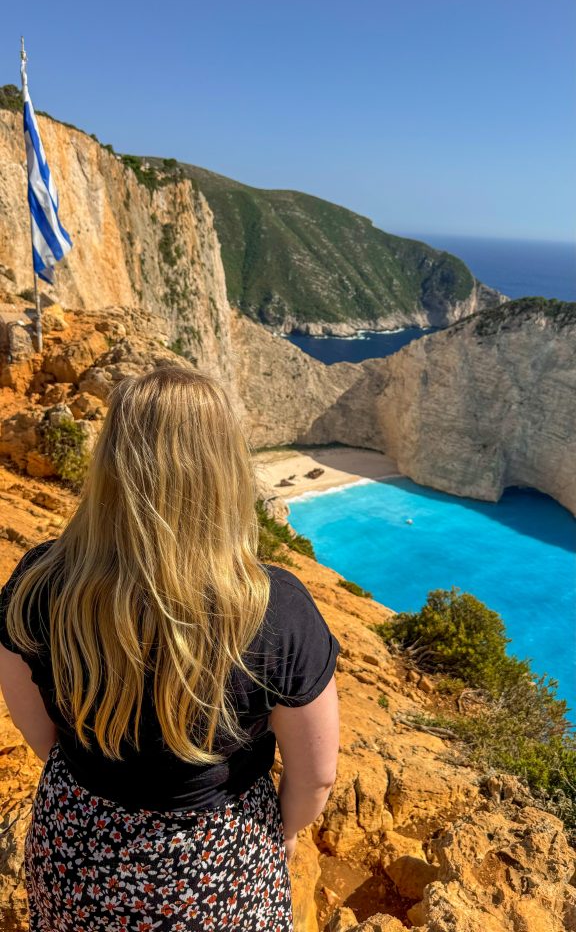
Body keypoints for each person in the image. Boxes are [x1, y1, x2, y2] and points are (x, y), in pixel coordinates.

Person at [0, 366, 340, 932]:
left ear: (110, 463)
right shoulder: (275, 611)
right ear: (224, 470)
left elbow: (33, 724)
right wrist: (275, 836)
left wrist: (99, 785)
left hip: (74, 843)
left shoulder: (40, 580)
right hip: (215, 870)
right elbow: (316, 778)